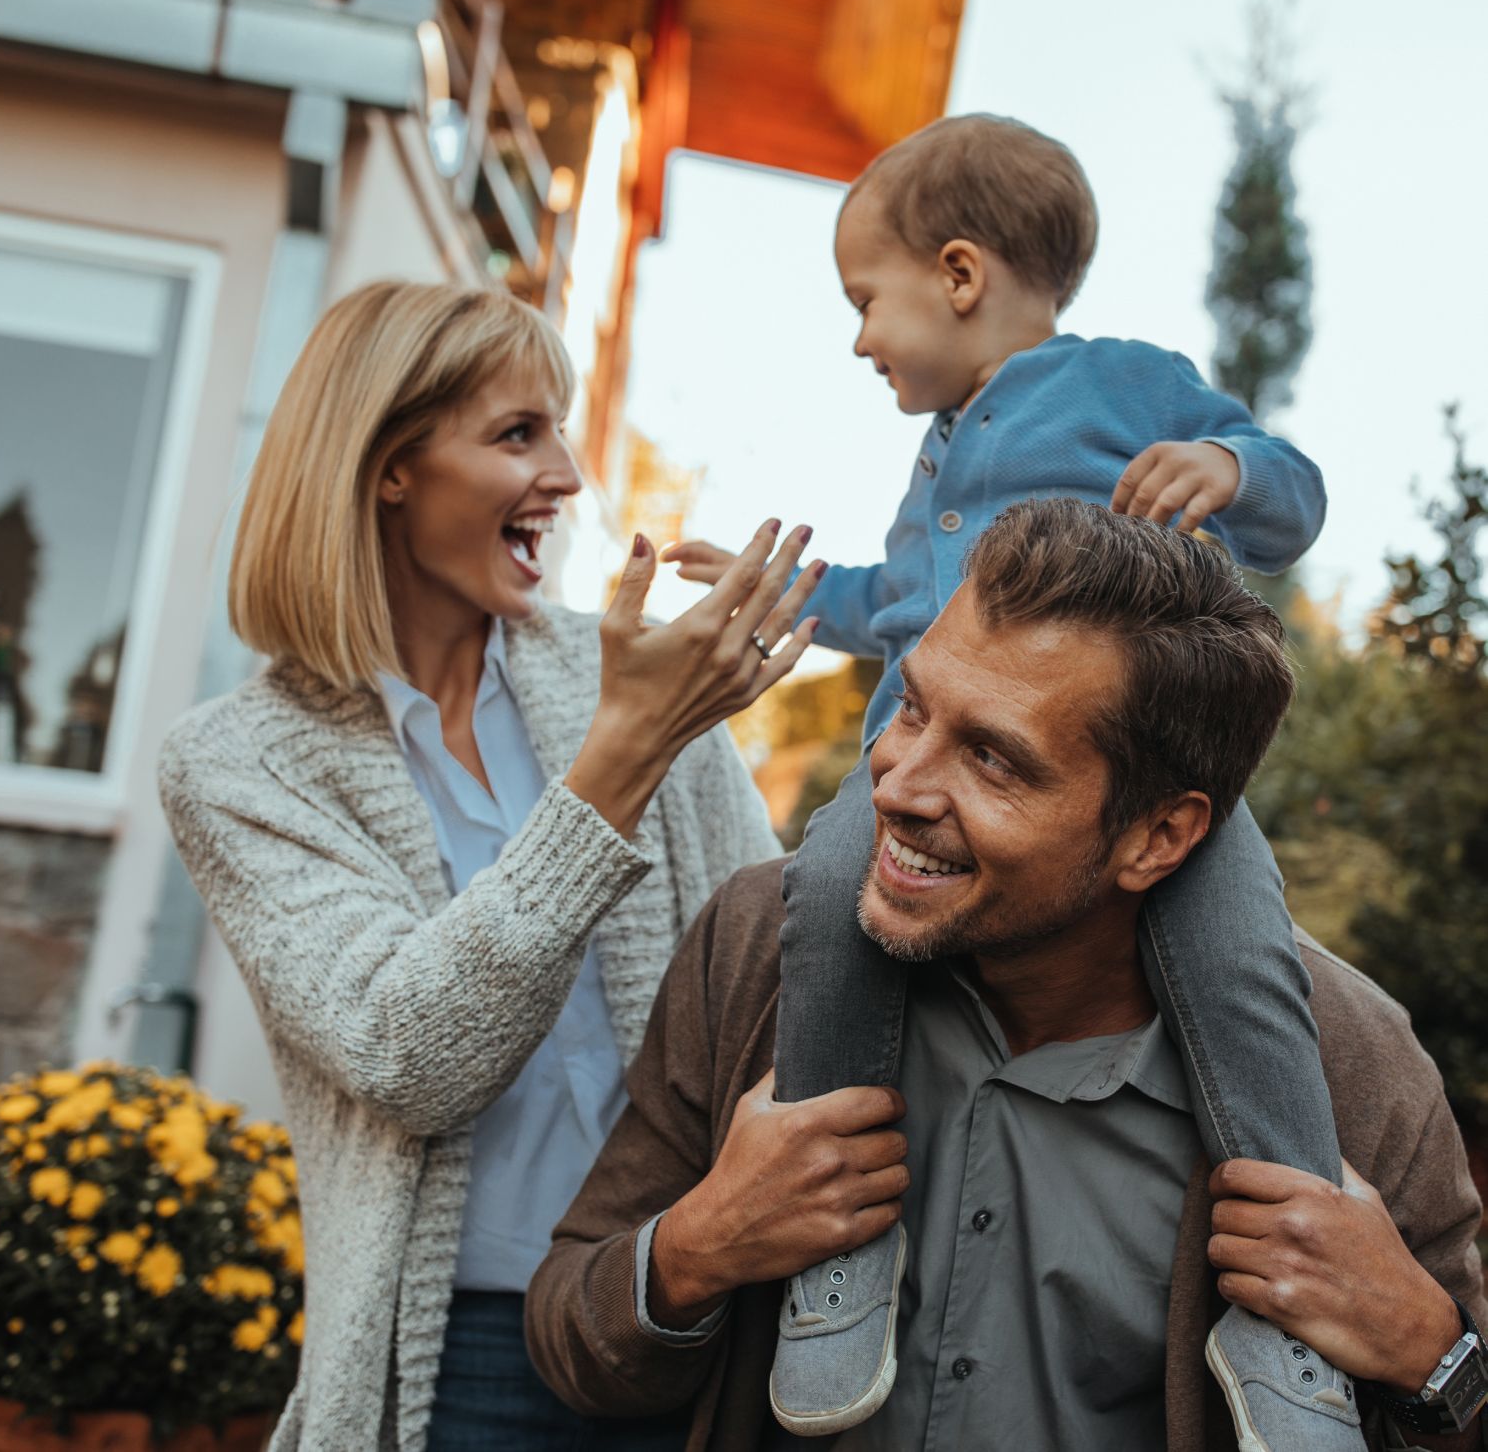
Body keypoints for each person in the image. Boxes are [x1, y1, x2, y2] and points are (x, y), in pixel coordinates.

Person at [528, 500, 1488, 1452]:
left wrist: (1429, 1355)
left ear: (1159, 836)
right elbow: (570, 1345)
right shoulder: (757, 951)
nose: (895, 787)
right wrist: (695, 1250)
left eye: (994, 760)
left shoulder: (1352, 1075)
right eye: (912, 708)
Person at [662, 113, 1339, 1443]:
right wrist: (786, 591)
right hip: (918, 769)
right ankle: (842, 1249)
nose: (860, 338)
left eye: (868, 300)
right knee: (830, 892)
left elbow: (1294, 493)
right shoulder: (939, 456)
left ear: (960, 275)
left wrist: (1229, 466)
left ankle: (1291, 1299)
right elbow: (899, 601)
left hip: (1134, 768)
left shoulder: (1121, 383)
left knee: (1245, 956)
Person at [159, 281, 824, 1452]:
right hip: (467, 1354)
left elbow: (775, 967)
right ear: (386, 468)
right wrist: (620, 760)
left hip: (686, 1302)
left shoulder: (628, 674)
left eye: (560, 430)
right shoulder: (237, 764)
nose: (566, 475)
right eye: (519, 434)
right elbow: (408, 1057)